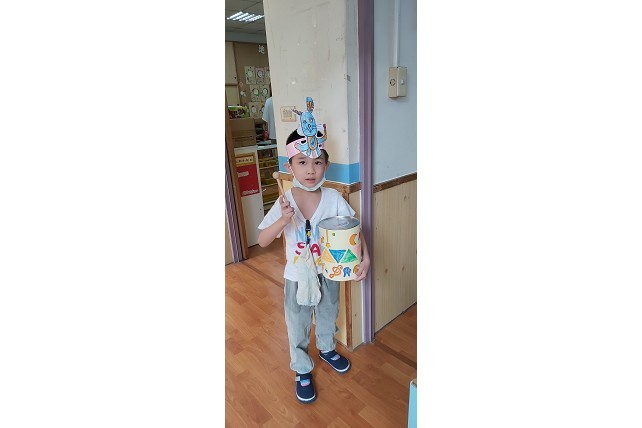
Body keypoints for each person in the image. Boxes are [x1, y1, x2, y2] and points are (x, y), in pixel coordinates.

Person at [257, 128, 370, 404]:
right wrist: (283, 220)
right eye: (302, 162)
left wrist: (365, 258)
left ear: (326, 165)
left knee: (329, 314)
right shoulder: (285, 202)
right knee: (297, 323)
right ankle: (301, 368)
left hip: (328, 273)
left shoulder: (333, 199)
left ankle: (327, 348)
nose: (311, 169)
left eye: (317, 162)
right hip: (297, 277)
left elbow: (354, 230)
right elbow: (262, 240)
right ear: (290, 167)